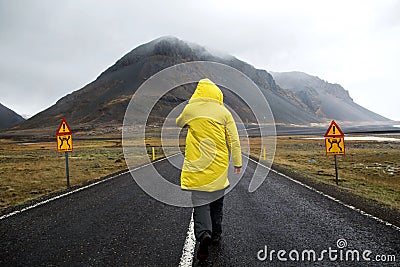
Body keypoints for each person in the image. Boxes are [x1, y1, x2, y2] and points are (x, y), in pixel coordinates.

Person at [176, 78, 242, 261]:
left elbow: (178, 123)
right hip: (219, 168)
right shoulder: (224, 112)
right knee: (217, 203)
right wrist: (237, 163)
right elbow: (234, 141)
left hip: (198, 167)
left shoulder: (190, 110)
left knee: (201, 203)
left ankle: (204, 233)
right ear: (216, 93)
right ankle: (216, 235)